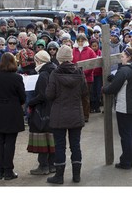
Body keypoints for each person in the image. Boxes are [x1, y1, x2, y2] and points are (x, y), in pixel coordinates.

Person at [45, 45, 88, 184]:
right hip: (76, 113)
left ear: (59, 58)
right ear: (71, 58)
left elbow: (49, 94)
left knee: (60, 146)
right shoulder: (79, 73)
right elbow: (84, 92)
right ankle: (77, 176)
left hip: (59, 115)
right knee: (75, 145)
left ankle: (59, 176)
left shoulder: (55, 74)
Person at [102, 47, 132, 169]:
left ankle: (126, 162)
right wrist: (113, 78)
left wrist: (104, 89)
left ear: (129, 58)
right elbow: (126, 81)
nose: (121, 58)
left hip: (125, 106)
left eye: (122, 56)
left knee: (126, 134)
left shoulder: (125, 70)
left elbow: (113, 88)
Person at [0, 52, 26, 180]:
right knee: (10, 142)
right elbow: (22, 97)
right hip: (12, 112)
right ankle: (8, 171)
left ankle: (0, 171)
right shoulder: (16, 78)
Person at [27, 50, 57, 175]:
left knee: (43, 137)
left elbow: (43, 95)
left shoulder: (43, 74)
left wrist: (31, 102)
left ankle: (43, 166)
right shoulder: (53, 70)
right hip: (53, 109)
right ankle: (52, 165)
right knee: (51, 137)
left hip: (43, 110)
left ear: (39, 61)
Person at [72, 33, 97, 121]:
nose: (80, 43)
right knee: (76, 98)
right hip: (76, 77)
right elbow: (71, 62)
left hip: (87, 77)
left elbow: (93, 63)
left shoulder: (90, 50)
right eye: (79, 41)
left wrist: (84, 73)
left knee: (85, 97)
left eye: (82, 41)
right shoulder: (73, 50)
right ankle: (77, 115)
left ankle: (86, 115)